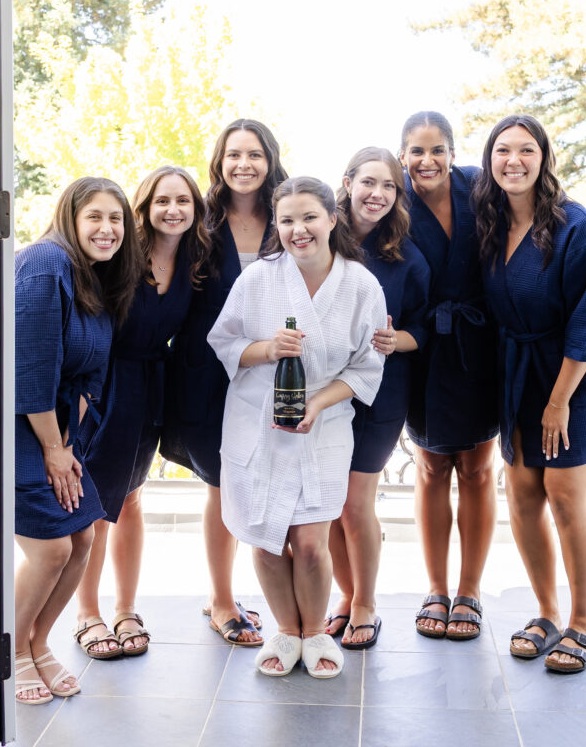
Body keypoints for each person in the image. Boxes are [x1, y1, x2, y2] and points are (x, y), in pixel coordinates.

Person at [208, 176, 386, 678]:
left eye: (309, 217)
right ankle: (286, 631)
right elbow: (223, 342)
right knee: (266, 539)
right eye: (286, 220)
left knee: (310, 542)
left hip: (324, 426)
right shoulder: (257, 280)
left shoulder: (361, 286)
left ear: (332, 219)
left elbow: (367, 365)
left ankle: (315, 634)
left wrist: (319, 403)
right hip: (258, 420)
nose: (298, 229)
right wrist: (268, 349)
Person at [472, 114, 586, 673]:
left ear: (544, 158)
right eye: (502, 150)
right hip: (520, 372)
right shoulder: (490, 223)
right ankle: (547, 613)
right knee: (522, 493)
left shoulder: (576, 226)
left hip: (578, 375)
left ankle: (583, 623)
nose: (513, 160)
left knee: (563, 493)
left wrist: (558, 403)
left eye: (526, 150)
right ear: (489, 160)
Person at [161, 119, 288, 647]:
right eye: (234, 154)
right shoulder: (200, 221)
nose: (244, 164)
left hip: (273, 370)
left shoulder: (287, 216)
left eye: (254, 154)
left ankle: (286, 602)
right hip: (206, 371)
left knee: (267, 478)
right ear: (219, 161)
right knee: (220, 482)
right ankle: (221, 600)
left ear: (270, 159)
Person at [74, 166, 210, 658]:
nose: (173, 210)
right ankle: (87, 613)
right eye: (162, 201)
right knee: (96, 504)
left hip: (153, 385)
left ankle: (125, 608)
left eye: (183, 201)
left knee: (131, 497)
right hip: (108, 385)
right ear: (145, 208)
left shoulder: (196, 260)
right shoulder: (120, 256)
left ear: (195, 209)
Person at [14, 177, 140, 704]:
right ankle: (12, 650)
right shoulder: (45, 264)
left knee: (84, 537)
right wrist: (51, 449)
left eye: (116, 219)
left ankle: (38, 641)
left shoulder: (93, 277)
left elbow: (90, 375)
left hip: (60, 433)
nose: (107, 229)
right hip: (20, 428)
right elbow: (30, 370)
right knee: (51, 549)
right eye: (95, 217)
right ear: (70, 216)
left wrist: (68, 446)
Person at [325, 148, 430, 648]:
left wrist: (396, 339)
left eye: (389, 186)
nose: (378, 194)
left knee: (355, 502)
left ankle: (366, 602)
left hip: (381, 393)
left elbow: (424, 329)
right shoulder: (321, 238)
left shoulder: (408, 258)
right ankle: (345, 597)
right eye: (369, 182)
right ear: (348, 183)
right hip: (323, 390)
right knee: (327, 500)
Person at [400, 111, 499, 641]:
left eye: (437, 149)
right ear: (403, 156)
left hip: (479, 343)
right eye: (417, 151)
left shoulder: (480, 189)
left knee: (478, 470)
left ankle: (470, 590)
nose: (427, 160)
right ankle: (436, 589)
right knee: (432, 467)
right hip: (423, 346)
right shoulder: (394, 199)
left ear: (453, 154)